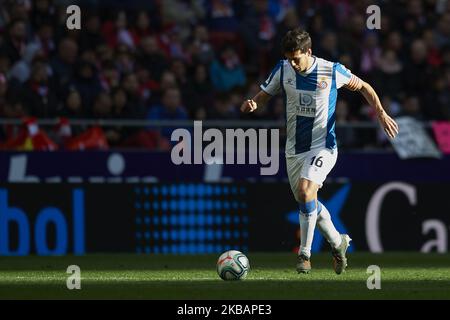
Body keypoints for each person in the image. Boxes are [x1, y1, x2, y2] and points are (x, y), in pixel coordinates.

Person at [240, 28, 399, 274]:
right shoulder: (283, 70)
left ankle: (304, 254)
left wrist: (381, 113)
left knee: (305, 191)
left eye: (297, 58)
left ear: (309, 52)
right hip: (293, 150)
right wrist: (253, 103)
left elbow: (365, 87)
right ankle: (338, 242)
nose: (293, 63)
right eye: (289, 58)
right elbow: (263, 95)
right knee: (307, 200)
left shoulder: (332, 70)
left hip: (323, 146)